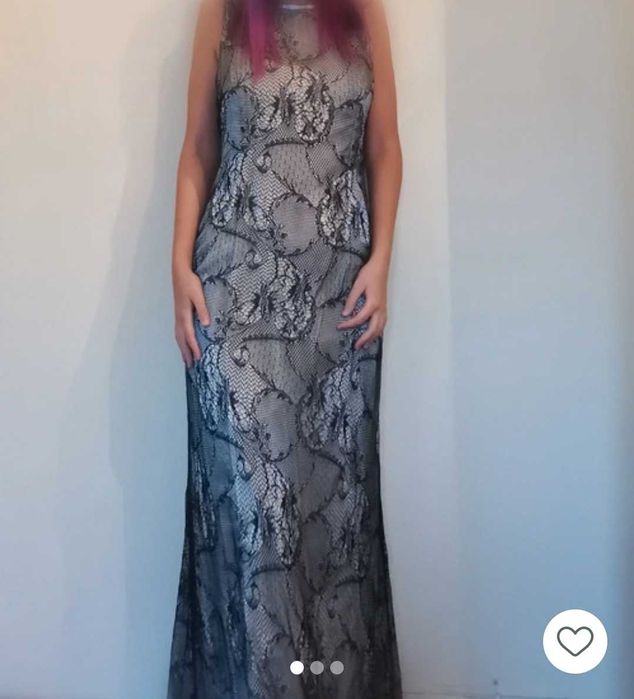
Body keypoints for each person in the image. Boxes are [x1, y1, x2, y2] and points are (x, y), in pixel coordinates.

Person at [168, 0, 403, 696]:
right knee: (256, 521)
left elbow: (385, 148)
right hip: (234, 302)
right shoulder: (223, 12)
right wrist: (177, 267)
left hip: (341, 310)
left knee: (335, 522)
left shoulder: (364, 11)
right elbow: (198, 148)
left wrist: (382, 262)